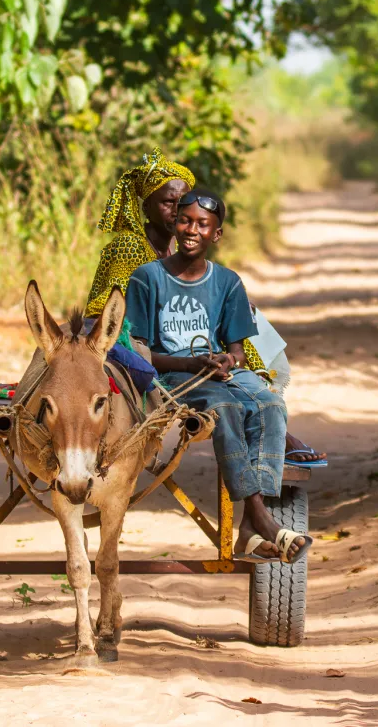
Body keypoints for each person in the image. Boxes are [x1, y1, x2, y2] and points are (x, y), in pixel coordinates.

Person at [83, 147, 326, 463]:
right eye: (167, 202)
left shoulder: (172, 247)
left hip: (170, 330)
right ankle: (275, 433)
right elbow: (112, 307)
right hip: (129, 341)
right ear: (146, 207)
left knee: (242, 314)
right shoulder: (130, 245)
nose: (176, 210)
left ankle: (270, 422)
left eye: (181, 202)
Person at [123, 189, 312, 564]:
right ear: (174, 224)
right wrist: (191, 365)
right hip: (173, 375)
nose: (191, 230)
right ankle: (261, 519)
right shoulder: (147, 278)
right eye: (184, 220)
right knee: (224, 407)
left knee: (271, 404)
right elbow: (138, 353)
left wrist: (226, 360)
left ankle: (249, 524)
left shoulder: (227, 282)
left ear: (217, 234)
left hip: (214, 372)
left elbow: (238, 350)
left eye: (202, 224)